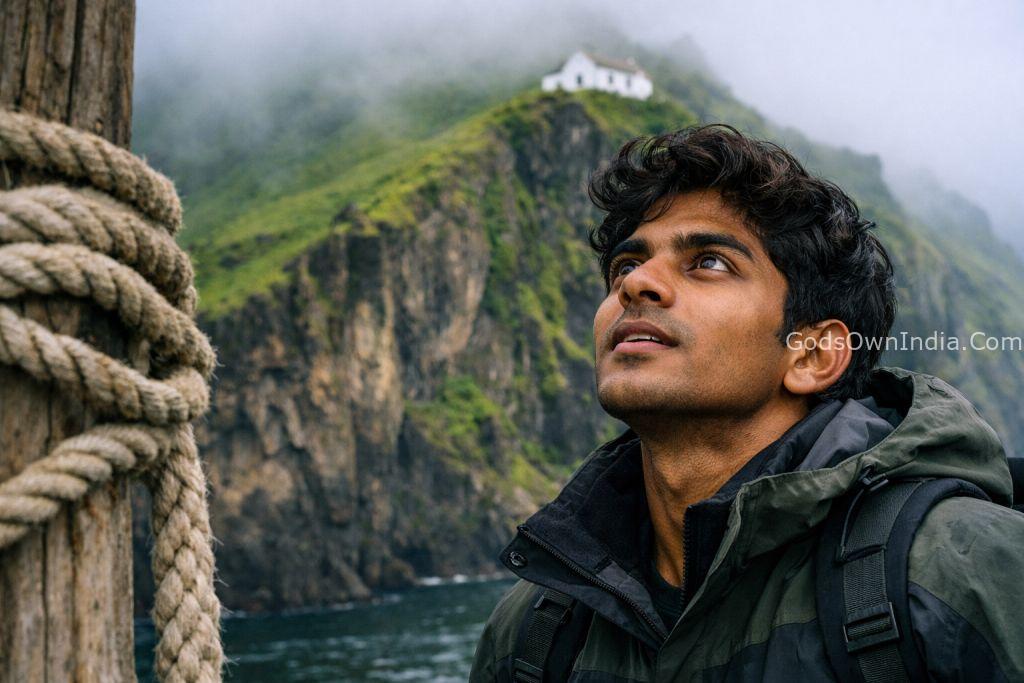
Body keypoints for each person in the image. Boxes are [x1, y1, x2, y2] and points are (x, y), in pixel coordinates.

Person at [469, 125, 1024, 681]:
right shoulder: (532, 630)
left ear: (812, 355)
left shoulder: (963, 571)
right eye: (626, 266)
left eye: (709, 262)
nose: (637, 285)